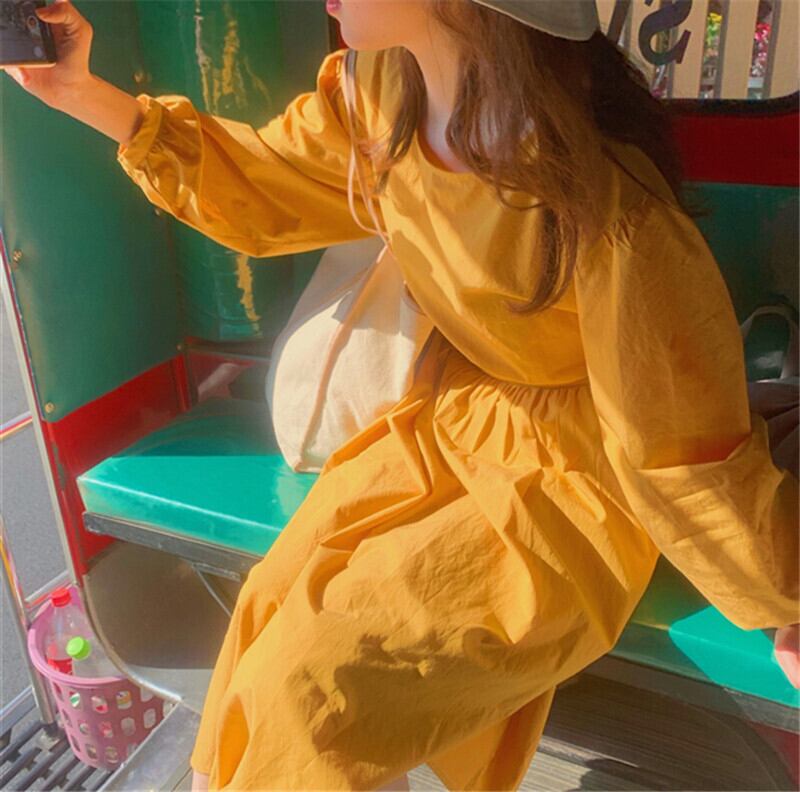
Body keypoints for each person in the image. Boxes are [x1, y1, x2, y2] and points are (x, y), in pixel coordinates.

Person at [5, 0, 798, 789]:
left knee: (312, 691)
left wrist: (783, 602)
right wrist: (80, 91)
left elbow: (676, 447)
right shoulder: (381, 95)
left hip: (569, 480)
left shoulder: (606, 203)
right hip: (446, 426)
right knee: (270, 611)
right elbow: (263, 180)